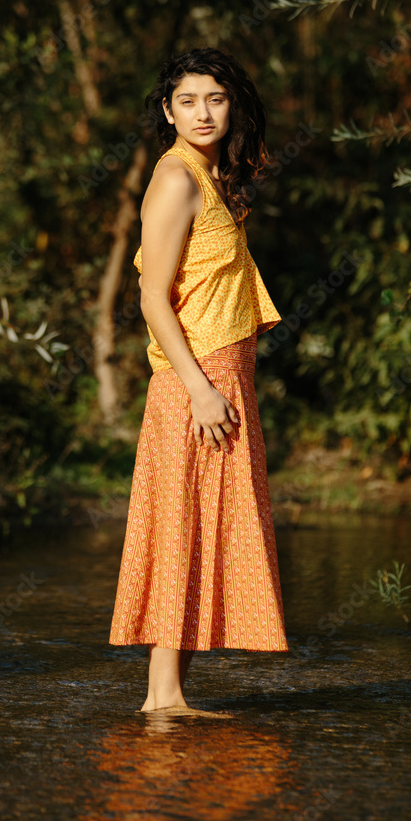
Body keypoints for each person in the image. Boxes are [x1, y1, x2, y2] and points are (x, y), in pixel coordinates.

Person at [108, 46, 289, 716]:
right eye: (187, 101)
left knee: (199, 526)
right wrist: (200, 388)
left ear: (230, 104)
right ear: (167, 110)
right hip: (197, 382)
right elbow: (153, 298)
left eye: (214, 98)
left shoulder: (206, 176)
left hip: (220, 378)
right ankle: (162, 696)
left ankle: (167, 695)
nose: (203, 112)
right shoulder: (177, 179)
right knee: (181, 526)